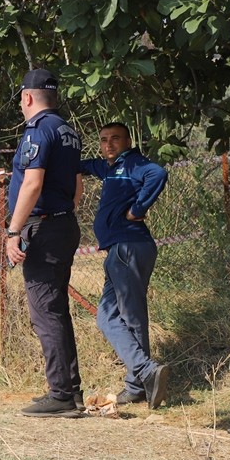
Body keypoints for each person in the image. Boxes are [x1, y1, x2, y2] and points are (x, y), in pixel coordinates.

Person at [6, 69, 84, 418]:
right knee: (57, 309)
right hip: (64, 224)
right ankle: (71, 390)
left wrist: (13, 231)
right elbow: (78, 186)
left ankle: (61, 395)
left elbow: (32, 183)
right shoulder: (68, 131)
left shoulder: (38, 130)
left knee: (45, 312)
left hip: (45, 229)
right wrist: (62, 213)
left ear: (27, 97)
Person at [77, 122, 170, 409]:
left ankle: (143, 376)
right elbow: (82, 165)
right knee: (108, 317)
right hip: (118, 251)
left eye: (115, 138)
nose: (108, 144)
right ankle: (140, 381)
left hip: (129, 247)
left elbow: (158, 173)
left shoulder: (133, 164)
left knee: (131, 317)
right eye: (103, 139)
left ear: (128, 141)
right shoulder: (109, 167)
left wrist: (138, 209)